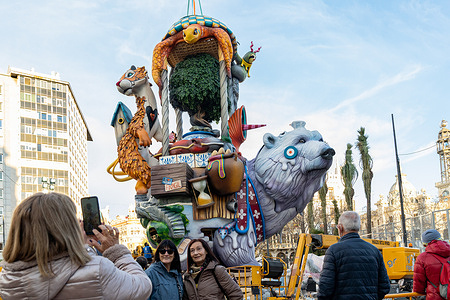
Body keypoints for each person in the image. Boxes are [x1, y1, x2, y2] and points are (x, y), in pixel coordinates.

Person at [0, 192, 152, 300]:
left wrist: (79, 246)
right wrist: (116, 252)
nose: (79, 222)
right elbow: (143, 287)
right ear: (66, 229)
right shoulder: (97, 270)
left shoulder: (7, 279)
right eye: (74, 219)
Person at [317, 211, 390, 300]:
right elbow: (385, 286)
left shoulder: (333, 251)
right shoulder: (374, 251)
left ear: (340, 228)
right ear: (358, 228)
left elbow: (325, 288)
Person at [413, 229, 450, 299]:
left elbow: (419, 283)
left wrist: (417, 293)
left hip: (434, 296)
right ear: (440, 238)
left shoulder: (422, 258)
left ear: (425, 244)